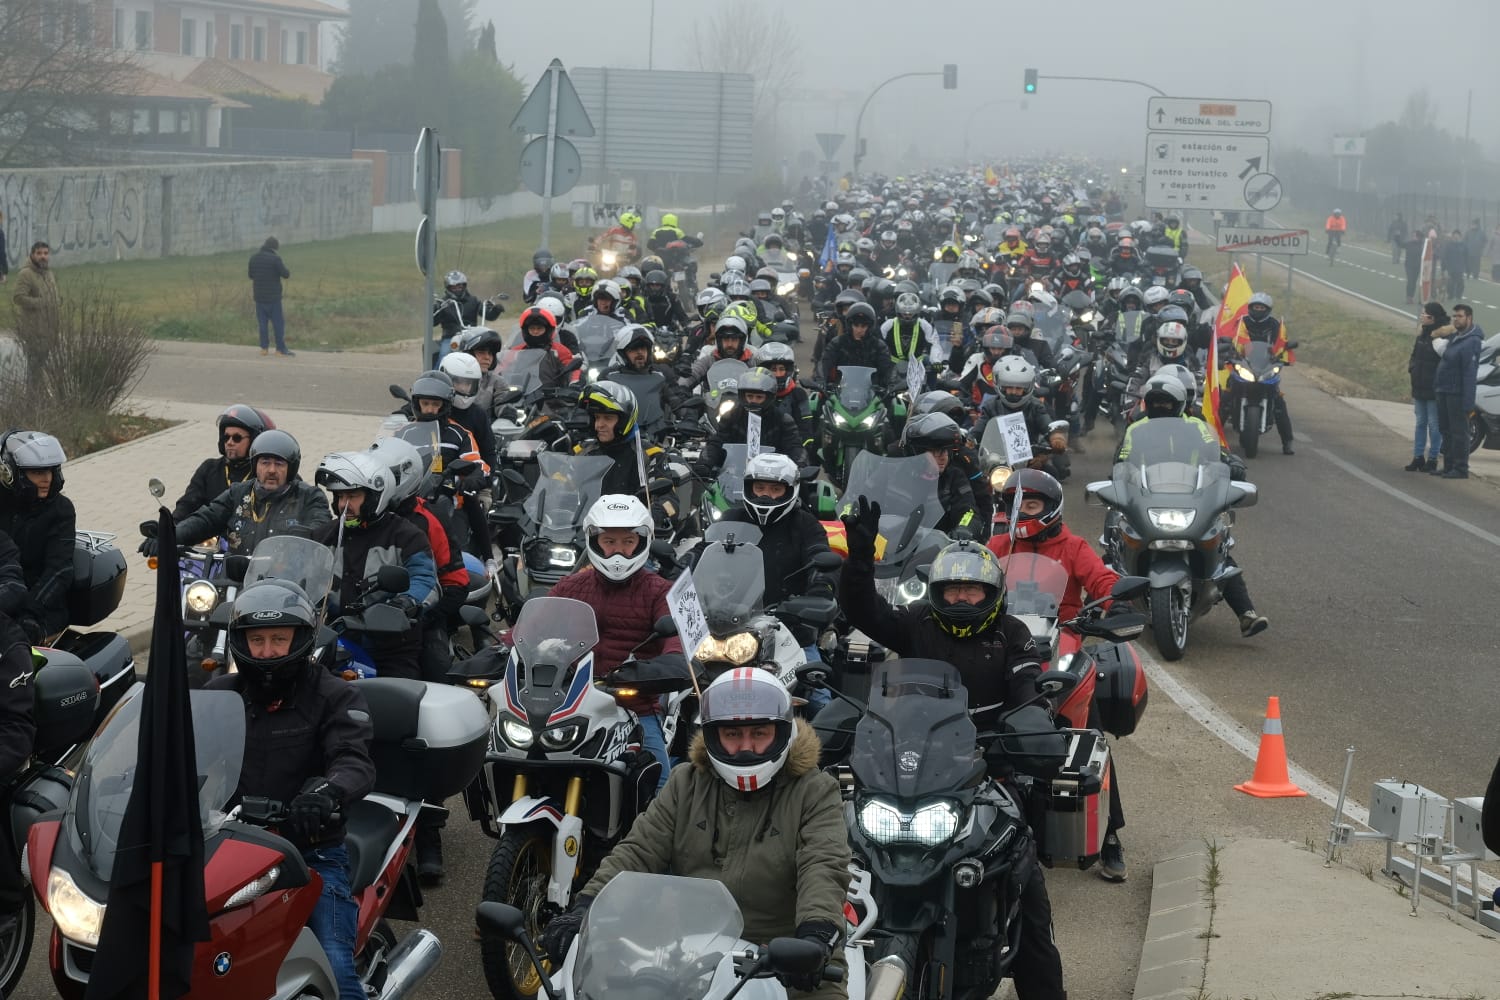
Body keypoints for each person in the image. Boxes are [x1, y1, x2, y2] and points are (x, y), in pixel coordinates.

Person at [835, 515, 1065, 1000]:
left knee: (1028, 890)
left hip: (989, 766)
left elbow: (1027, 692)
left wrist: (1032, 726)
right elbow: (864, 611)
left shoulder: (1012, 634)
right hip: (912, 764)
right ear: (936, 593)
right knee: (852, 853)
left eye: (973, 591)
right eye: (953, 590)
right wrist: (858, 561)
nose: (962, 599)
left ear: (992, 594)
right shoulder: (918, 623)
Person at [539, 667, 852, 1000]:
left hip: (787, 957)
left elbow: (824, 866)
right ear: (712, 736)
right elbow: (638, 850)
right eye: (732, 735)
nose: (745, 748)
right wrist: (584, 909)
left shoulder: (815, 790)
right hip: (690, 955)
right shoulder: (686, 782)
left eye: (759, 733)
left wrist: (815, 936)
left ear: (782, 732)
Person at [211, 579, 375, 1000]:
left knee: (337, 968)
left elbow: (353, 760)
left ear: (300, 640)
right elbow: (178, 747)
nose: (266, 651)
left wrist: (325, 793)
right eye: (257, 639)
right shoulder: (218, 696)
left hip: (310, 850)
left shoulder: (335, 695)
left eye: (279, 640)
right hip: (224, 846)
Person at [986, 470, 1130, 881]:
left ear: (1050, 508)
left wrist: (1111, 601)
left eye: (1030, 504)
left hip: (1060, 650)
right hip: (1003, 651)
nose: (1022, 512)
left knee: (1091, 739)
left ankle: (1110, 837)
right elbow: (971, 577)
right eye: (1015, 504)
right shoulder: (997, 545)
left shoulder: (1073, 546)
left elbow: (1102, 579)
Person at [1114, 373, 1269, 636]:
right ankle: (1100, 609)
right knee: (1115, 538)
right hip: (1149, 493)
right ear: (1147, 404)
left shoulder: (1197, 426)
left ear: (1180, 403)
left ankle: (1246, 613)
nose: (1161, 407)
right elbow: (1122, 459)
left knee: (1220, 544)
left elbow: (1217, 451)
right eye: (1156, 402)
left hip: (1191, 493)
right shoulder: (1135, 429)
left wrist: (1232, 464)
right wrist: (1118, 478)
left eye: (1166, 402)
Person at [549, 495, 683, 787]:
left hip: (634, 707)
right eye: (610, 541)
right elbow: (535, 626)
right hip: (571, 702)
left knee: (659, 782)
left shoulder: (660, 591)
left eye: (627, 542)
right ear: (595, 541)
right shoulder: (569, 586)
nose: (618, 551)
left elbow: (676, 638)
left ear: (642, 542)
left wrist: (670, 662)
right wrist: (502, 648)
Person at [161, 430, 331, 557]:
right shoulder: (238, 493)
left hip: (286, 585)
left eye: (279, 464)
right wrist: (168, 536)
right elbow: (206, 519)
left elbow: (320, 530)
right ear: (255, 465)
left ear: (291, 468)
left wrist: (298, 540)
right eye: (265, 463)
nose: (272, 470)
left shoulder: (310, 497)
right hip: (236, 582)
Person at [0, 431, 74, 642]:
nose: (47, 479)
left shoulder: (60, 510)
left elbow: (60, 570)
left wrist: (29, 612)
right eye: (37, 472)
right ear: (13, 472)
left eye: (50, 471)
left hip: (41, 607)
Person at [698, 368, 810, 475]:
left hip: (774, 478)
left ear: (769, 397)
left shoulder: (783, 420)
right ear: (742, 396)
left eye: (759, 397)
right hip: (734, 476)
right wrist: (704, 464)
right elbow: (716, 443)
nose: (753, 401)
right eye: (750, 396)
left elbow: (795, 447)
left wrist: (800, 465)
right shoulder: (731, 417)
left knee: (806, 492)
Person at [174, 405, 275, 520]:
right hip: (210, 535)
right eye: (226, 437)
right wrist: (168, 527)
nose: (229, 442)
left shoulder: (269, 473)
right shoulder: (209, 468)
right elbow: (187, 505)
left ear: (255, 441)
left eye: (237, 438)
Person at [1230, 293, 1295, 455]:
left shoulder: (1275, 325)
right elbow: (1232, 339)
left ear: (1268, 309)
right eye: (1256, 307)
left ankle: (1287, 442)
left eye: (1262, 308)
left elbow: (1282, 344)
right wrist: (1228, 350)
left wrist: (1282, 355)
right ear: (1250, 308)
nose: (1258, 310)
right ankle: (1214, 438)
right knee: (1225, 397)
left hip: (1265, 366)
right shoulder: (1241, 323)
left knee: (1279, 403)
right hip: (1244, 365)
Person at [900, 413, 978, 536]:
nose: (943, 457)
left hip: (940, 549)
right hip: (895, 547)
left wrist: (963, 528)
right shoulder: (897, 476)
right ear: (917, 453)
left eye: (946, 451)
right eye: (936, 451)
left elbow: (968, 511)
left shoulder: (954, 477)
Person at [1431, 303, 1483, 479]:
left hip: (1457, 393)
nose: (1455, 319)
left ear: (1469, 318)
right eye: (1454, 316)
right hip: (1444, 390)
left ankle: (1461, 468)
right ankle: (1449, 466)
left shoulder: (1472, 341)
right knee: (1446, 429)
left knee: (1459, 432)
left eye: (1459, 316)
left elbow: (1470, 373)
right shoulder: (1456, 336)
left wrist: (1468, 403)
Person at [1406, 303, 1449, 473]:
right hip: (1419, 385)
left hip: (1434, 388)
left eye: (1425, 314)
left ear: (1432, 318)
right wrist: (1412, 369)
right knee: (1420, 422)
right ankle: (1418, 457)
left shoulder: (1442, 338)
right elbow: (1414, 356)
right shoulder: (1421, 335)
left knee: (1434, 424)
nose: (1422, 316)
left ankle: (1433, 458)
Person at [820, 302, 893, 386]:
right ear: (850, 325)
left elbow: (888, 371)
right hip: (839, 393)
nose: (859, 330)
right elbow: (823, 364)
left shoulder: (879, 347)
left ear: (870, 327)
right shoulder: (837, 343)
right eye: (856, 325)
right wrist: (820, 381)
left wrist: (891, 385)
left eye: (863, 326)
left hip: (872, 394)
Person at [12, 241, 57, 374]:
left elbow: (51, 298)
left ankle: (38, 394)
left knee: (42, 370)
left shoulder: (48, 274)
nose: (43, 256)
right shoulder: (26, 274)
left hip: (48, 330)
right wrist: (40, 303)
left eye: (45, 253)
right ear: (32, 255)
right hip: (34, 330)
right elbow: (18, 297)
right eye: (39, 253)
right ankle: (32, 395)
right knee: (34, 371)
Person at [432, 270, 504, 344]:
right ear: (448, 288)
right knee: (444, 353)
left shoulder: (473, 301)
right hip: (450, 337)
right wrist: (435, 309)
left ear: (464, 286)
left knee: (486, 348)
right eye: (454, 288)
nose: (457, 290)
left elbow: (488, 315)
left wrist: (496, 310)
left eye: (459, 287)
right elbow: (433, 322)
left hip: (472, 336)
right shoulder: (443, 303)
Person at [248, 236, 292, 356]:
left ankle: (264, 348)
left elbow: (251, 275)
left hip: (259, 297)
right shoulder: (275, 259)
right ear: (274, 248)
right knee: (278, 324)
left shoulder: (253, 258)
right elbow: (285, 274)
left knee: (262, 324)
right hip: (273, 298)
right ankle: (280, 349)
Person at [1440, 230, 1469, 299]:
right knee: (1450, 283)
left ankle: (1459, 295)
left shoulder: (1463, 246)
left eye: (1457, 236)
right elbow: (1444, 257)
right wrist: (1443, 268)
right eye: (1454, 236)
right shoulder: (1448, 245)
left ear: (1460, 237)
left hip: (1460, 268)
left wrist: (1468, 269)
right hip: (1450, 268)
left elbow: (1466, 257)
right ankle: (1450, 295)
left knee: (1460, 283)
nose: (1456, 237)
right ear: (1452, 237)